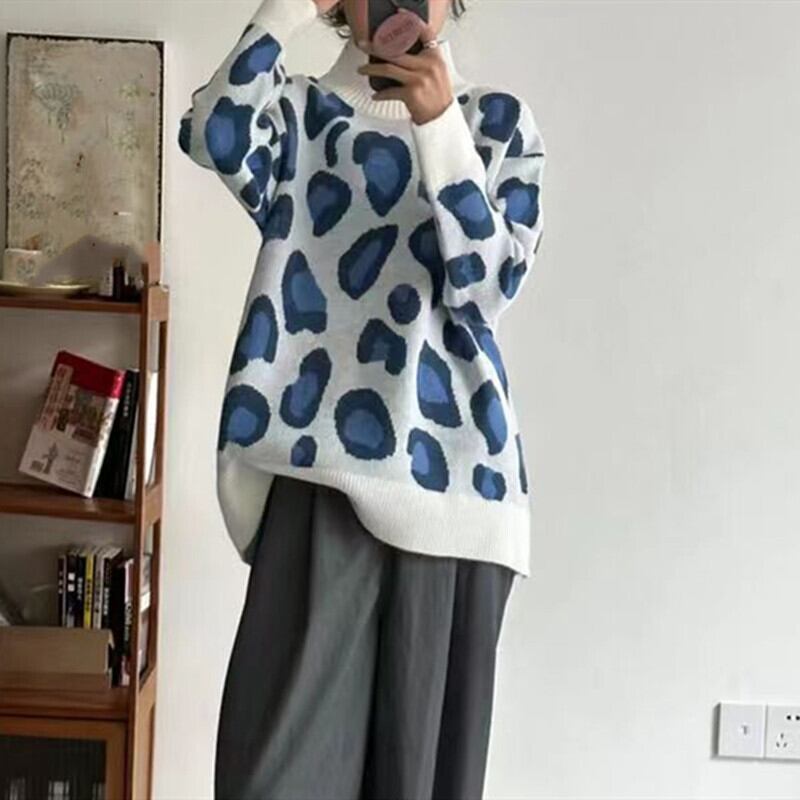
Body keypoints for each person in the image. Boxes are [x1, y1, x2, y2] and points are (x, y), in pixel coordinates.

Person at [178, 0, 546, 796]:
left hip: (455, 492)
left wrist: (439, 127)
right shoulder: (299, 114)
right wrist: (289, 9)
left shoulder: (495, 125)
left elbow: (487, 286)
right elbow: (212, 133)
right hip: (315, 477)